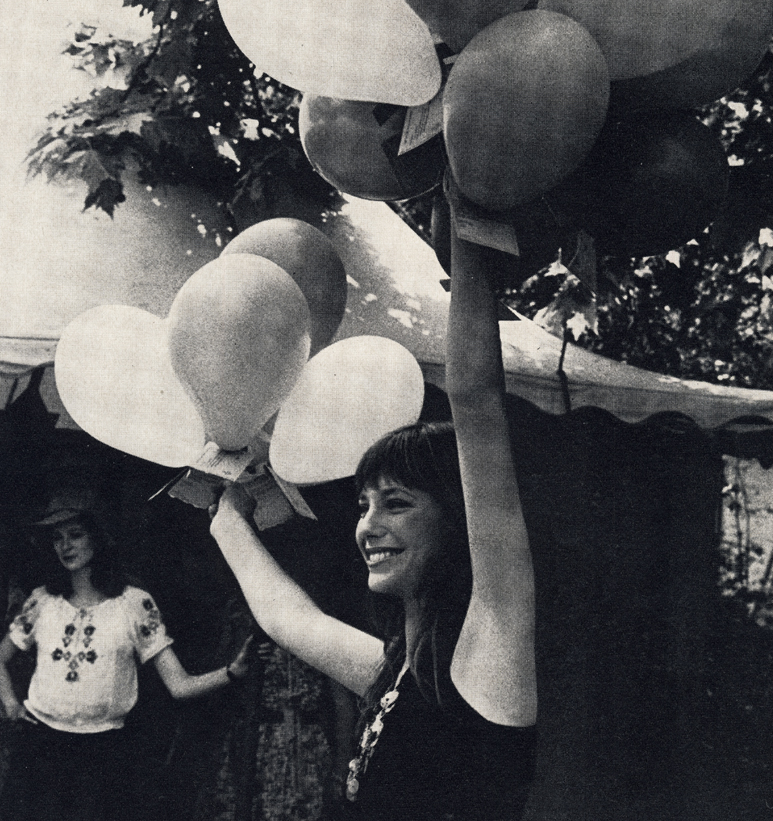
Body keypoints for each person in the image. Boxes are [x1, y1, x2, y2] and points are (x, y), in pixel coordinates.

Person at [210, 216, 538, 821]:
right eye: (364, 505)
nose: (368, 526)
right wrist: (227, 512)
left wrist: (467, 225)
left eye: (397, 503)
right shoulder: (396, 673)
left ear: (459, 522)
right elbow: (291, 619)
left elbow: (477, 403)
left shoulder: (486, 660)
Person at [0, 488, 252, 821]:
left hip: (104, 755)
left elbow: (178, 685)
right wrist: (12, 706)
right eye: (58, 538)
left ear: (98, 537)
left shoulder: (134, 603)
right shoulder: (41, 601)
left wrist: (232, 671)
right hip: (42, 750)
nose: (65, 545)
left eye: (75, 534)